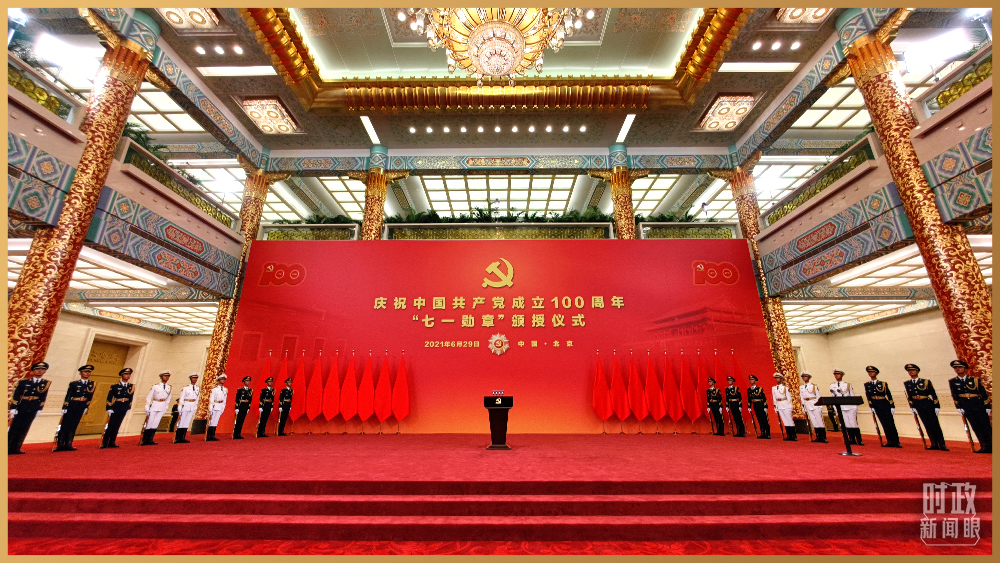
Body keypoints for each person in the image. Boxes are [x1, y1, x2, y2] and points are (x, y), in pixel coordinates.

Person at [948, 360, 991, 454]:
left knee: (986, 426)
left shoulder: (974, 380)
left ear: (965, 368)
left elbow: (983, 394)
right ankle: (984, 446)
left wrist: (987, 406)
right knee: (976, 427)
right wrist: (958, 407)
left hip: (978, 405)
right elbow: (954, 395)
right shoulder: (952, 381)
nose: (957, 369)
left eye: (959, 367)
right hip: (966, 407)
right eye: (955, 368)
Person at [8, 362, 52, 455]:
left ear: (44, 371)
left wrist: (39, 408)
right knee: (15, 427)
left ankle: (16, 447)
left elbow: (43, 397)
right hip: (21, 406)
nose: (40, 371)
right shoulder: (24, 382)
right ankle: (8, 447)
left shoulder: (45, 383)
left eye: (42, 369)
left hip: (33, 407)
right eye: (37, 369)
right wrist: (13, 408)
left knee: (25, 427)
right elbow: (16, 395)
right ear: (33, 371)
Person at [903, 363, 948, 451]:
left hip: (927, 404)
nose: (911, 372)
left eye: (912, 370)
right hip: (918, 405)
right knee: (927, 424)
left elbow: (933, 394)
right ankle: (934, 443)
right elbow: (909, 396)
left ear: (917, 371)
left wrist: (937, 406)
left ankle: (942, 444)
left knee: (935, 424)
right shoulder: (907, 383)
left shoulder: (925, 382)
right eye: (909, 371)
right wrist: (912, 406)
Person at [53, 365, 97, 451]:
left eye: (89, 372)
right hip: (72, 405)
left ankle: (69, 443)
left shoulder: (92, 384)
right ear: (81, 373)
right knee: (65, 424)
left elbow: (90, 396)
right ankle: (60, 444)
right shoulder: (74, 383)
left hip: (81, 406)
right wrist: (65, 406)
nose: (87, 373)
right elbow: (68, 395)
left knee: (74, 424)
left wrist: (86, 406)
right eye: (85, 372)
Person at [864, 366, 901, 448]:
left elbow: (889, 395)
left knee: (890, 423)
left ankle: (896, 441)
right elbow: (868, 396)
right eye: (869, 372)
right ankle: (889, 441)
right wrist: (871, 406)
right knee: (884, 423)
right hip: (876, 405)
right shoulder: (867, 385)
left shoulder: (883, 383)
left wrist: (892, 406)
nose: (870, 373)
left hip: (884, 404)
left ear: (876, 373)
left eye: (872, 372)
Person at [101, 368, 134, 449]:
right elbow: (109, 398)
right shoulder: (115, 386)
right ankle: (105, 442)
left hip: (124, 406)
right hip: (116, 406)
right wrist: (109, 408)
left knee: (117, 425)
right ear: (122, 375)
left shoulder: (131, 386)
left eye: (129, 374)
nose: (128, 376)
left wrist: (129, 407)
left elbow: (131, 398)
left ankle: (112, 441)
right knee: (111, 425)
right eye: (126, 374)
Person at [830, 369, 863, 445]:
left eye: (838, 374)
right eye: (835, 374)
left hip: (850, 406)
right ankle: (851, 439)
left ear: (841, 375)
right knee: (847, 423)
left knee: (853, 423)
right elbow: (833, 397)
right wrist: (835, 408)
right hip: (841, 407)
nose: (836, 376)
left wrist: (855, 407)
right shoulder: (832, 386)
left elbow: (852, 395)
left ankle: (859, 439)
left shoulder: (847, 385)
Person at [141, 371, 172, 446]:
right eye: (165, 376)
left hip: (162, 405)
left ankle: (150, 439)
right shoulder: (155, 386)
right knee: (150, 422)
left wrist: (166, 406)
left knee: (156, 423)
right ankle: (145, 440)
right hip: (155, 404)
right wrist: (147, 406)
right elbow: (149, 397)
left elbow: (168, 398)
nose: (166, 377)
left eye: (168, 376)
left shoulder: (169, 387)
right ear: (161, 377)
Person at [798, 372, 827, 443]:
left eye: (805, 376)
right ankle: (818, 436)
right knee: (814, 421)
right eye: (803, 377)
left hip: (815, 404)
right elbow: (801, 397)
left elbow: (818, 396)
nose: (804, 378)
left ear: (809, 377)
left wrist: (820, 406)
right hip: (807, 404)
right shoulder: (801, 387)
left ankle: (823, 437)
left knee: (819, 420)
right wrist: (803, 406)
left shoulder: (813, 386)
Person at [174, 373, 199, 444]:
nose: (195, 379)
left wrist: (195, 406)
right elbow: (181, 398)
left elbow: (197, 398)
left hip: (192, 406)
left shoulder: (197, 388)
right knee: (181, 422)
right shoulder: (185, 388)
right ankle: (178, 438)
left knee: (187, 422)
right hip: (186, 405)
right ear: (190, 379)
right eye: (193, 378)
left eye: (196, 378)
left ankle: (183, 437)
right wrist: (180, 407)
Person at [772, 373, 796, 441]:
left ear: (781, 379)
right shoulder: (774, 388)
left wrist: (790, 407)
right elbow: (774, 398)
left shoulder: (785, 388)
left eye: (778, 378)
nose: (777, 379)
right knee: (784, 420)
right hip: (779, 405)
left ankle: (793, 435)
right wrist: (775, 406)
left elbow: (789, 398)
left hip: (785, 404)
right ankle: (788, 435)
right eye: (776, 378)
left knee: (789, 420)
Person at [205, 373, 228, 441]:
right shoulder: (214, 389)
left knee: (215, 421)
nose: (223, 381)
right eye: (222, 379)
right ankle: (208, 436)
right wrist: (210, 408)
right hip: (215, 405)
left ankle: (212, 435)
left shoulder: (225, 389)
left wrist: (223, 406)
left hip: (220, 405)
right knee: (211, 421)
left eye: (224, 379)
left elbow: (225, 399)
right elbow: (211, 399)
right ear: (218, 380)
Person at [747, 375, 770, 439]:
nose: (751, 381)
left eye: (752, 379)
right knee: (759, 420)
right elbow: (749, 399)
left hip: (761, 405)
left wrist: (765, 406)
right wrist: (749, 406)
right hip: (755, 406)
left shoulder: (759, 389)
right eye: (750, 380)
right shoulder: (749, 390)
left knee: (764, 420)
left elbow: (764, 398)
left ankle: (768, 433)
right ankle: (762, 433)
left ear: (755, 381)